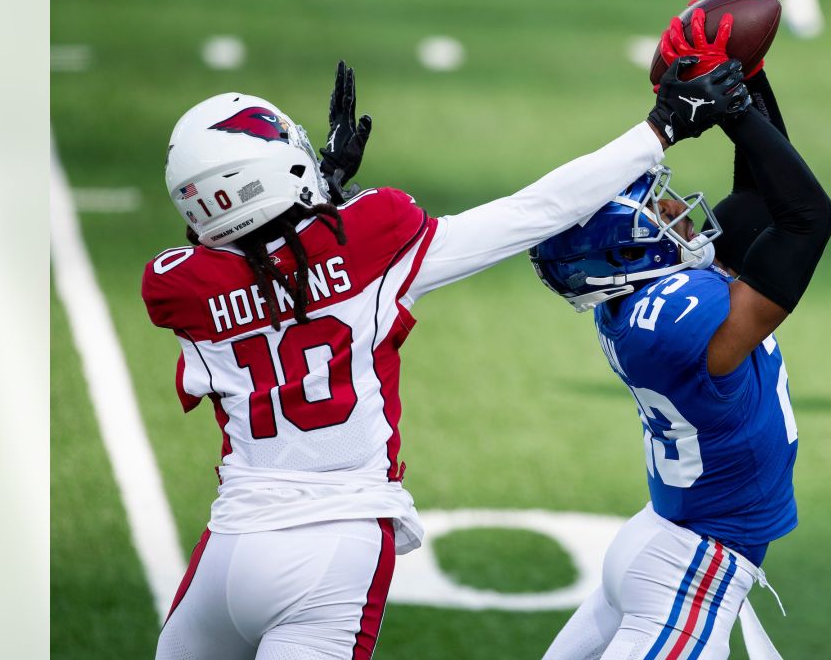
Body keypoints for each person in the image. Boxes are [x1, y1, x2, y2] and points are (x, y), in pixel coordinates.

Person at [144, 59, 749, 659]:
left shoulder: (178, 289)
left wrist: (314, 195)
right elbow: (534, 211)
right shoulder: (370, 239)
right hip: (338, 544)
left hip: (232, 542)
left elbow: (255, 268)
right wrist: (660, 127)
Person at [533, 5, 831, 660]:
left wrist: (742, 76)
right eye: (655, 212)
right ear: (625, 253)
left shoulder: (650, 298)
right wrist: (734, 108)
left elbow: (760, 196)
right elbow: (807, 219)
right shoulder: (677, 320)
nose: (675, 210)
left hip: (663, 541)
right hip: (689, 571)